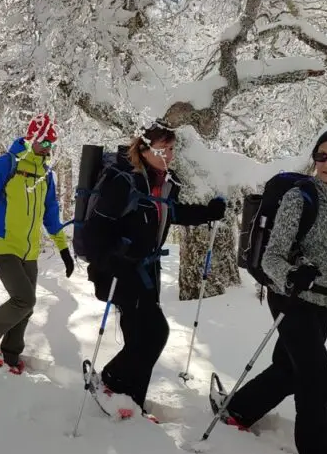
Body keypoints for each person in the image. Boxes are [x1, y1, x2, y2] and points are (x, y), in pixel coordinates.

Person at [83, 122, 226, 415]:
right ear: (145, 149)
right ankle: (110, 382)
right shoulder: (121, 180)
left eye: (171, 149)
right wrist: (112, 260)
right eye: (162, 149)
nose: (168, 155)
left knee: (141, 338)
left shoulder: (162, 181)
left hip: (146, 270)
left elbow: (170, 213)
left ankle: (132, 400)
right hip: (120, 272)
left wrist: (208, 213)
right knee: (154, 333)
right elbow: (95, 231)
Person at [214, 130, 327, 454]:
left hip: (325, 302)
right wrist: (293, 274)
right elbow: (272, 257)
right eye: (321, 156)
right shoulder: (301, 198)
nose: (326, 164)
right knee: (317, 374)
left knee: (289, 369)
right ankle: (317, 450)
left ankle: (237, 410)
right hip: (291, 297)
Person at [0, 114, 74, 373]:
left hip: (29, 249)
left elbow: (51, 212)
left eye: (51, 143)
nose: (47, 148)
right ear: (31, 138)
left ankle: (11, 354)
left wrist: (63, 248)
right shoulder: (6, 165)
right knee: (23, 299)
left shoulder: (46, 174)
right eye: (43, 141)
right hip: (2, 243)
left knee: (27, 305)